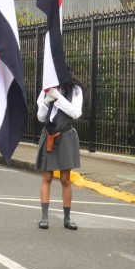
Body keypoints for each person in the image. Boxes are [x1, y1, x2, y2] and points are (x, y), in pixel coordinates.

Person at [36, 74, 83, 230]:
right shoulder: (46, 90)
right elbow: (41, 117)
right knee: (47, 176)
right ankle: (44, 218)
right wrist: (45, 102)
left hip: (65, 135)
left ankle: (67, 218)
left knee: (65, 178)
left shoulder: (75, 90)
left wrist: (59, 98)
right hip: (49, 134)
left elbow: (76, 113)